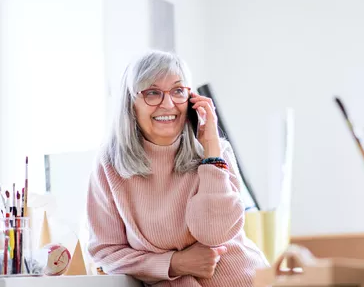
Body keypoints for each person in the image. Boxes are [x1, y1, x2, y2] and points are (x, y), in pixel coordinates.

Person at [86, 50, 268, 286]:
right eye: (152, 93)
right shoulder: (109, 166)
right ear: (131, 104)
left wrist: (211, 147)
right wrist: (174, 263)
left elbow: (216, 234)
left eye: (178, 91)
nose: (168, 104)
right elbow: (106, 254)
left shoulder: (215, 151)